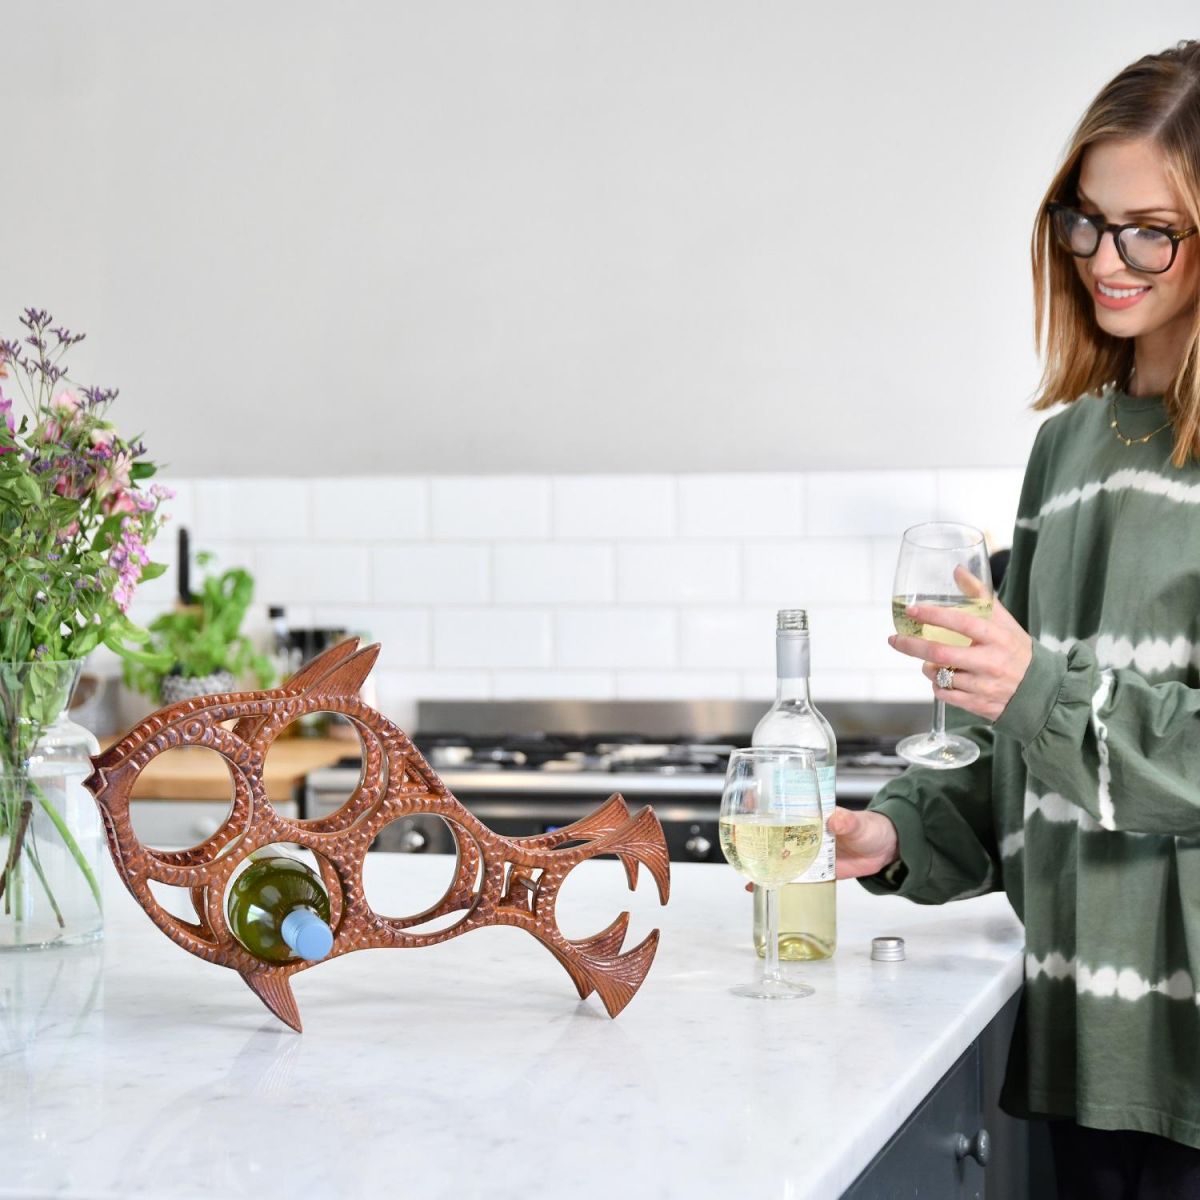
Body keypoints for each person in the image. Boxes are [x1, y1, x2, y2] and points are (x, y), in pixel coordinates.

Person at [828, 40, 1200, 1199]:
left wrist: (1036, 681)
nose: (1107, 258)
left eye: (1151, 229)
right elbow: (1027, 757)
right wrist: (900, 835)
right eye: (1084, 221)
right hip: (1081, 1036)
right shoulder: (1068, 447)